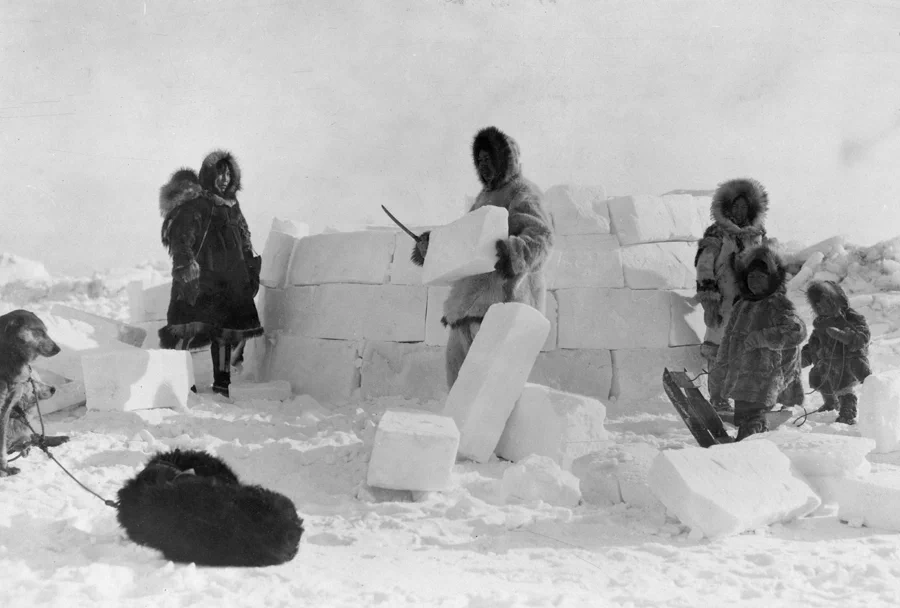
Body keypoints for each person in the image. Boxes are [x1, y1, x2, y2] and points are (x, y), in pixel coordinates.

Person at [410, 126, 554, 388]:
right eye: (480, 161)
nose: (484, 165)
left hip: (503, 304)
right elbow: (465, 242)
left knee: (490, 393)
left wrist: (514, 253)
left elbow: (541, 236)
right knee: (460, 390)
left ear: (505, 159)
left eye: (490, 159)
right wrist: (433, 247)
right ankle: (460, 430)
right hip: (467, 308)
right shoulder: (483, 198)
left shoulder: (522, 192)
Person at [157, 150, 263, 397]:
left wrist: (250, 270)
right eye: (219, 173)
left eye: (228, 173)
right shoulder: (197, 205)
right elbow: (181, 239)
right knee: (187, 331)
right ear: (209, 175)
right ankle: (180, 382)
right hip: (201, 280)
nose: (224, 179)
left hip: (230, 281)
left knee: (225, 333)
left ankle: (222, 384)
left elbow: (244, 240)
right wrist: (186, 268)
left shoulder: (233, 207)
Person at [709, 245, 806, 440]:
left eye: (760, 277)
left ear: (771, 279)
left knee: (753, 421)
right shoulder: (741, 306)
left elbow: (797, 331)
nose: (754, 282)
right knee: (745, 419)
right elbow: (727, 345)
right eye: (751, 277)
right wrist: (718, 377)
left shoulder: (778, 303)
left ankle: (747, 451)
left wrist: (762, 338)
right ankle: (747, 449)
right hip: (740, 379)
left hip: (766, 378)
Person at [694, 178, 769, 411]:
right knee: (719, 351)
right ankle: (718, 398)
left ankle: (744, 399)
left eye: (744, 206)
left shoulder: (757, 234)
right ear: (727, 207)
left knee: (747, 351)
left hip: (750, 304)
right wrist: (709, 299)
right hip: (724, 303)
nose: (740, 210)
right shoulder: (716, 233)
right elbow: (704, 266)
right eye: (735, 206)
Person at [801, 280, 871, 425]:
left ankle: (847, 410)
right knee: (820, 377)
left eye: (825, 302)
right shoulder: (821, 323)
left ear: (836, 300)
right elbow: (814, 343)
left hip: (847, 359)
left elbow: (863, 335)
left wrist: (844, 336)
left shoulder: (849, 317)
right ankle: (830, 403)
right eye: (817, 304)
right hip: (827, 360)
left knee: (843, 385)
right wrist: (804, 356)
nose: (821, 307)